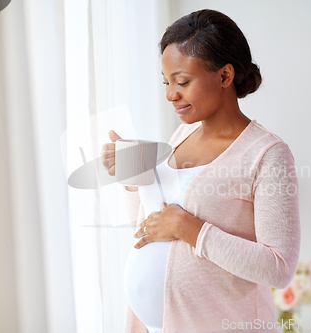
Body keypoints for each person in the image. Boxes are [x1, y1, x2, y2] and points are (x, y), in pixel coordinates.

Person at [101, 9, 300, 333]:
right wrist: (134, 179)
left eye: (182, 82)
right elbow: (150, 225)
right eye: (166, 82)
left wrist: (190, 228)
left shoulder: (267, 155)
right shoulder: (181, 137)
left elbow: (279, 268)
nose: (170, 94)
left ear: (224, 76)